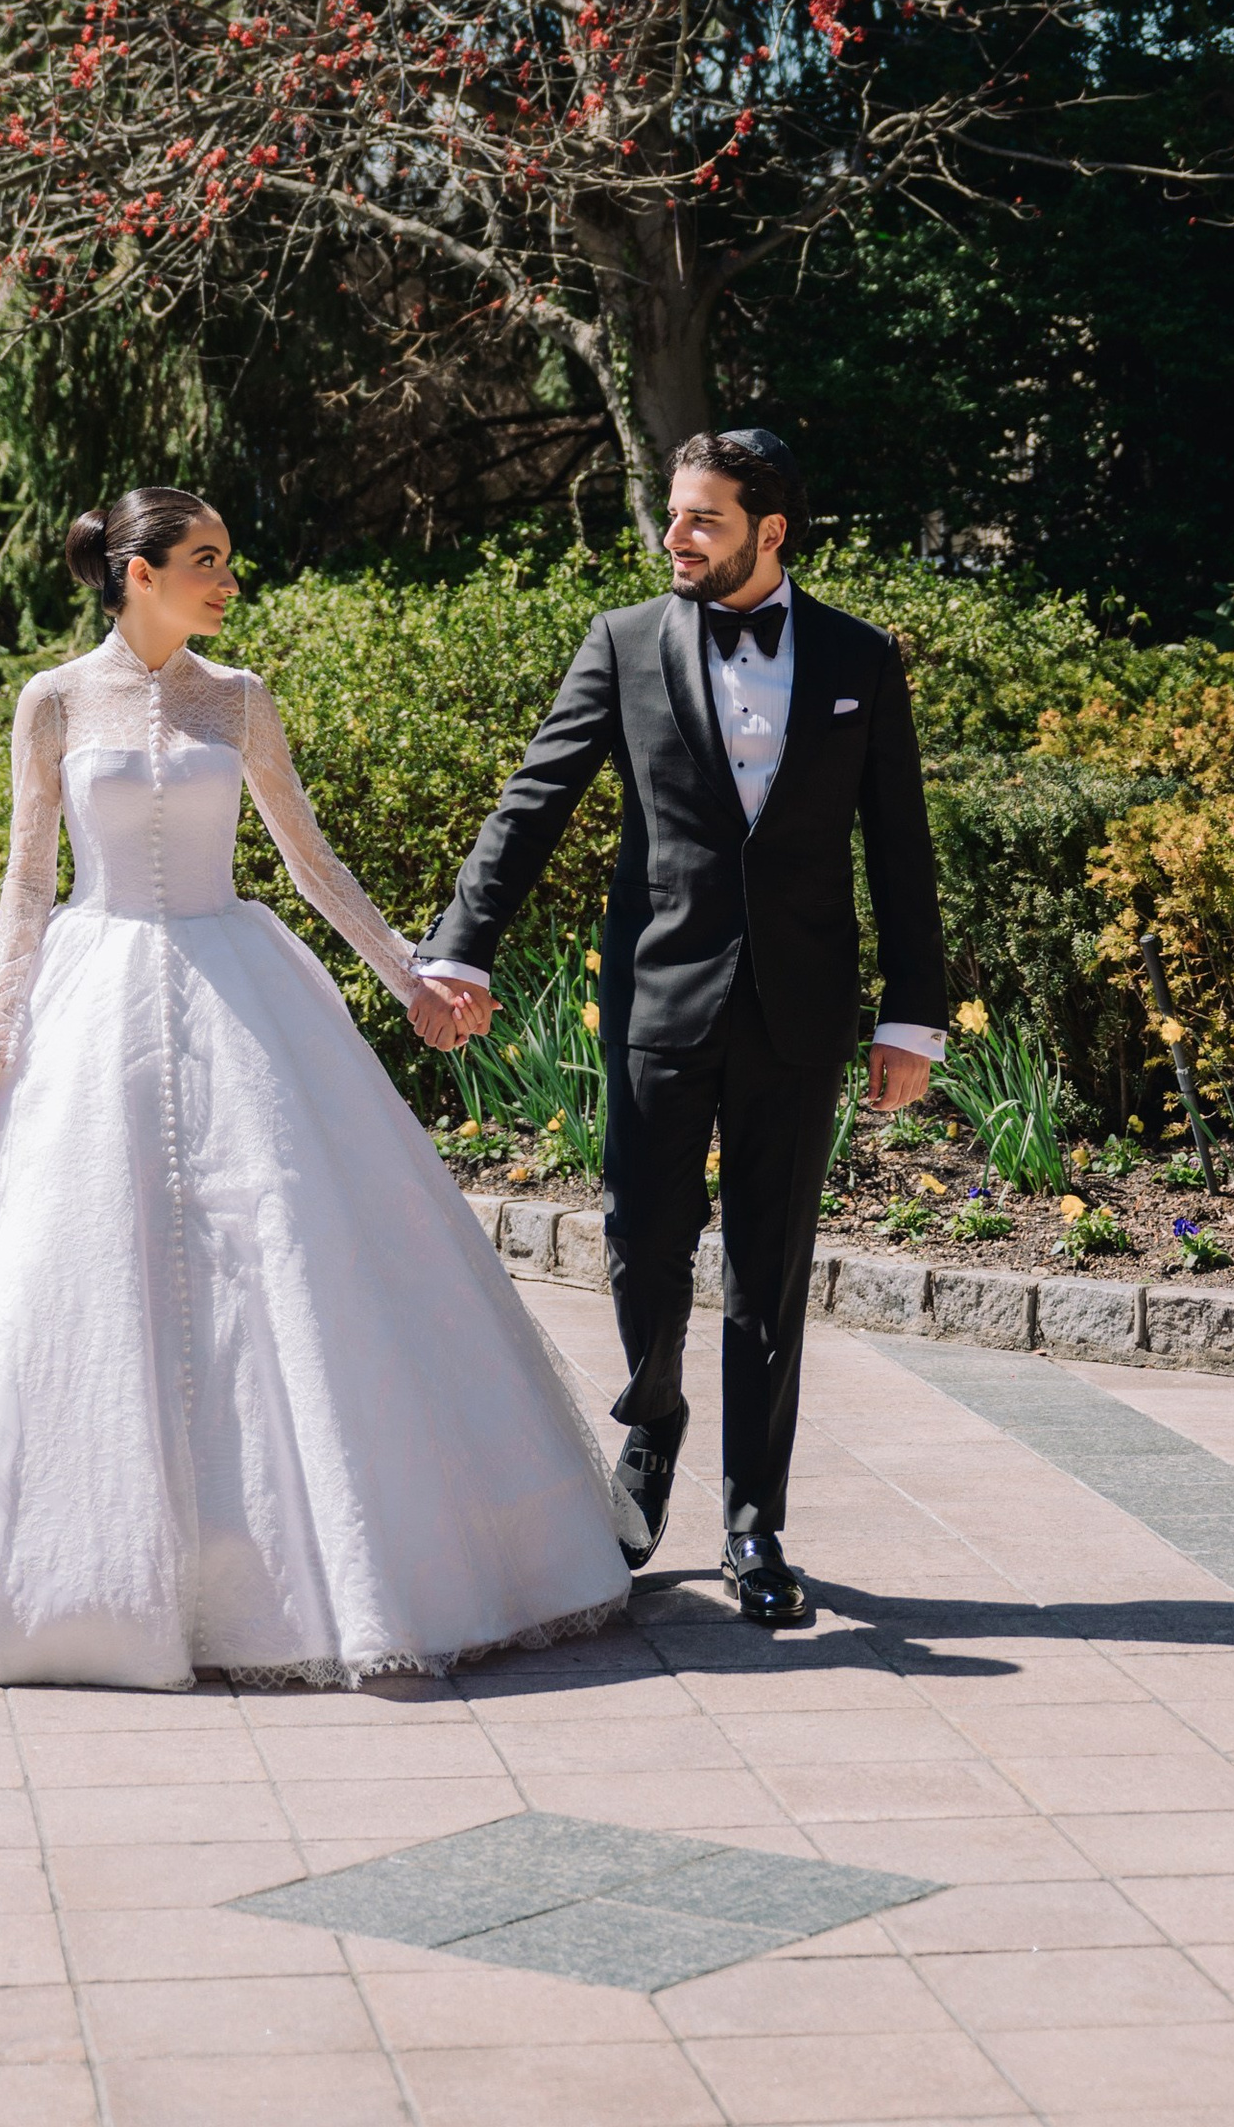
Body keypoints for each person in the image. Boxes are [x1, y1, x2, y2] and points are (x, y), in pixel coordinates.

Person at [0, 484, 632, 1688]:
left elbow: (310, 861)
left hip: (239, 991)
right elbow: (26, 883)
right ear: (137, 572)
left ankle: (293, 1573)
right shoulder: (52, 700)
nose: (226, 580)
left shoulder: (240, 699)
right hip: (90, 990)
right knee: (71, 1274)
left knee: (280, 1266)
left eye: (226, 558)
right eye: (204, 559)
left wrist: (409, 978)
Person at [421, 429, 947, 1629]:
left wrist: (909, 1018)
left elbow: (901, 851)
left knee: (771, 1273)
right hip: (661, 995)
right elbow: (532, 801)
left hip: (800, 1012)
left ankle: (755, 1527)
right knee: (642, 1242)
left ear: (770, 532)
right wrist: (460, 945)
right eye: (673, 514)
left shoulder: (862, 658)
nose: (674, 538)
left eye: (702, 519)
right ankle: (652, 1415)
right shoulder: (623, 641)